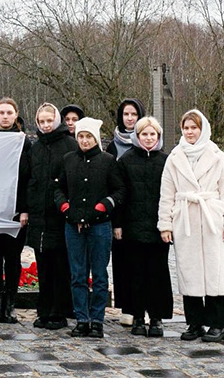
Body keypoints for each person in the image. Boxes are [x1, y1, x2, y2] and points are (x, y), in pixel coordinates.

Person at [158, 110, 224, 343]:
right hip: (185, 219)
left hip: (211, 217)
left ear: (203, 129)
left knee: (215, 272)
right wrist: (165, 224)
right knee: (189, 271)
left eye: (194, 128)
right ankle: (194, 322)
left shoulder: (217, 156)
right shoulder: (174, 157)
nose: (190, 132)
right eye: (186, 128)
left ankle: (217, 323)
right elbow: (167, 194)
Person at [56, 117, 124, 339]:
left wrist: (104, 205)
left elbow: (119, 190)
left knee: (100, 275)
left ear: (95, 138)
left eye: (88, 137)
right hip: (73, 225)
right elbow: (58, 189)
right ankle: (82, 319)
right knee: (78, 275)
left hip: (99, 226)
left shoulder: (108, 161)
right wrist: (65, 207)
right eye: (81, 137)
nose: (84, 141)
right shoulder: (68, 160)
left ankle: (97, 320)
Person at [114, 116, 173, 337]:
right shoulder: (126, 161)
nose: (148, 138)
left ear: (158, 136)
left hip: (158, 227)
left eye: (152, 134)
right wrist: (118, 224)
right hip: (133, 227)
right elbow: (120, 195)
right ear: (137, 137)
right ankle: (138, 316)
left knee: (157, 274)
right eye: (144, 134)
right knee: (135, 274)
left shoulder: (166, 161)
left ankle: (156, 317)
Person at [27, 103, 75, 330]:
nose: (46, 125)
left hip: (60, 215)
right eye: (42, 121)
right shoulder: (36, 148)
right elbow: (30, 179)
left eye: (49, 121)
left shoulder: (69, 144)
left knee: (60, 266)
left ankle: (59, 311)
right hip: (39, 215)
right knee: (43, 265)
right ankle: (44, 310)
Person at [0, 97, 32, 324]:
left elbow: (27, 178)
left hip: (15, 210)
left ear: (16, 115)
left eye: (9, 112)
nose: (5, 116)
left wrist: (24, 209)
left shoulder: (25, 143)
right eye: (1, 112)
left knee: (12, 258)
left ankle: (10, 302)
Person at [105, 98, 144, 325]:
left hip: (141, 209)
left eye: (134, 114)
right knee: (122, 262)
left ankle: (142, 305)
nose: (130, 118)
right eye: (126, 114)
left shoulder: (150, 140)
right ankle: (127, 307)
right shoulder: (113, 145)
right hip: (120, 210)